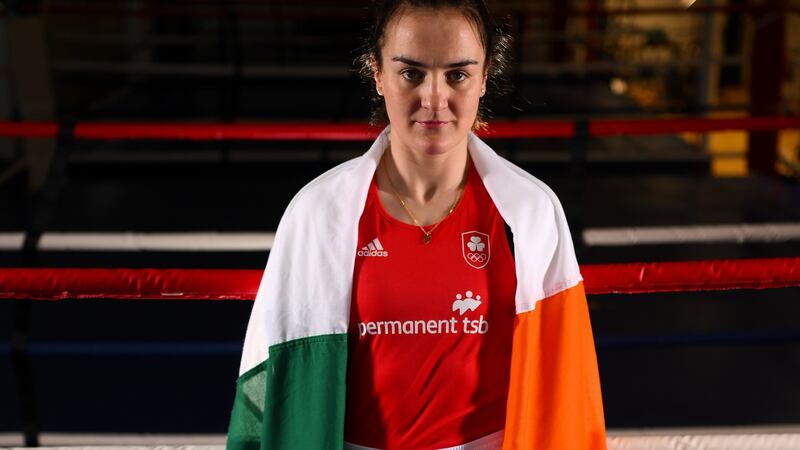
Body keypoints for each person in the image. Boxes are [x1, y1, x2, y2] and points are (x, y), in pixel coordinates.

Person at [226, 1, 607, 449]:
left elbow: (563, 376)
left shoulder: (528, 213)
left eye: (457, 75)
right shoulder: (318, 214)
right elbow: (267, 379)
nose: (434, 98)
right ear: (378, 73)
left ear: (484, 78)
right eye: (411, 73)